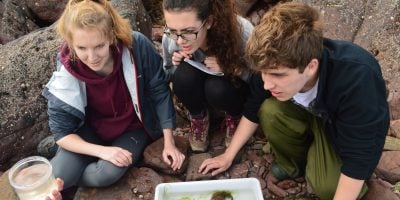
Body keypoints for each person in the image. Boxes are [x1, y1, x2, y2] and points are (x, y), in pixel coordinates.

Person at [199, 2, 389, 199]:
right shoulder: (271, 62)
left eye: (278, 75)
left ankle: (320, 161)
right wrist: (228, 155)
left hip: (343, 132)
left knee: (327, 187)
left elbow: (360, 156)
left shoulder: (357, 81)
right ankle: (293, 165)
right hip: (314, 114)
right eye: (263, 73)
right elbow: (253, 108)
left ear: (311, 66)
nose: (267, 83)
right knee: (269, 110)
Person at [42, 0, 185, 191]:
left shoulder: (137, 46)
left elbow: (159, 91)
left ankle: (67, 172)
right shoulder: (67, 67)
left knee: (105, 175)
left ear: (111, 35)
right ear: (70, 43)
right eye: (82, 48)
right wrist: (103, 151)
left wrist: (169, 143)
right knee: (56, 179)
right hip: (89, 129)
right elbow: (62, 131)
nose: (92, 57)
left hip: (132, 128)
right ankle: (65, 167)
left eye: (99, 46)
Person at [162, 0, 254, 152]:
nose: (179, 40)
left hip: (231, 91)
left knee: (216, 87)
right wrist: (176, 65)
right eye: (172, 31)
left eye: (188, 32)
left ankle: (235, 117)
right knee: (182, 76)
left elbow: (261, 79)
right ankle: (199, 117)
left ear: (209, 21)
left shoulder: (242, 33)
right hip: (197, 90)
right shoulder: (171, 38)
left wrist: (232, 68)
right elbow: (168, 73)